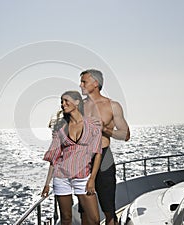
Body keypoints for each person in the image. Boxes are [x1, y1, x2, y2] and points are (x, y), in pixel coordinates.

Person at [41, 90, 103, 225]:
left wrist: (92, 179)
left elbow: (98, 153)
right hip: (61, 177)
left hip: (83, 177)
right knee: (66, 219)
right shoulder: (61, 128)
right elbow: (54, 157)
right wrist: (47, 184)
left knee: (95, 220)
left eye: (66, 101)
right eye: (61, 102)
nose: (63, 104)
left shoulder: (93, 125)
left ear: (77, 102)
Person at [79, 69, 130, 225]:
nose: (80, 85)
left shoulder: (112, 105)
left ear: (95, 83)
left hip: (105, 158)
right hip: (83, 157)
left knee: (108, 210)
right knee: (84, 211)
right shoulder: (78, 106)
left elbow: (125, 135)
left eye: (84, 82)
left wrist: (104, 129)